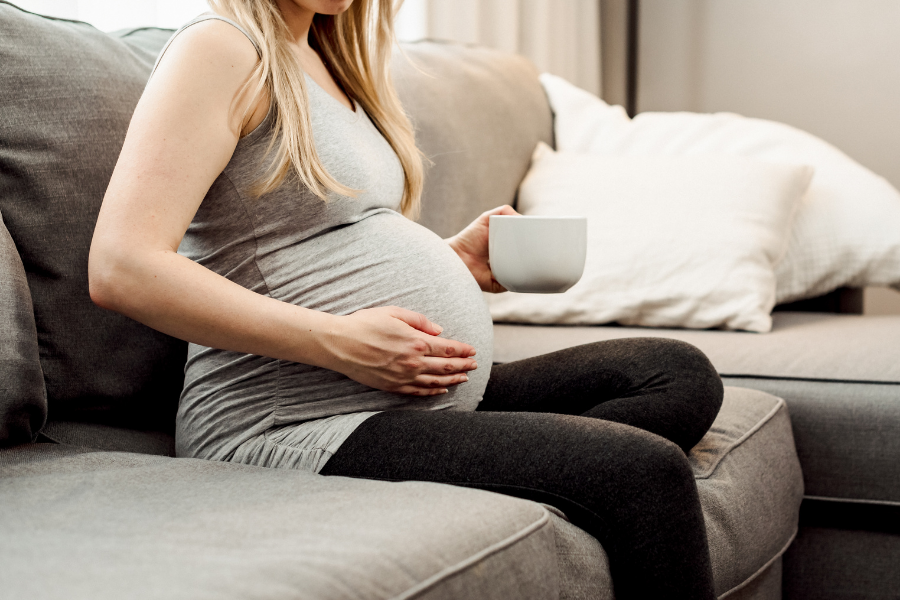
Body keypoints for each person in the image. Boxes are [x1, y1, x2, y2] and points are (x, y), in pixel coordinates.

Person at [88, 1, 724, 597]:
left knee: (673, 374)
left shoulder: (328, 58)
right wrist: (340, 343)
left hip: (403, 393)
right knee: (641, 474)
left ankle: (508, 464)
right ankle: (538, 469)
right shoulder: (221, 48)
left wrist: (450, 262)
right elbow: (123, 265)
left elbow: (311, 243)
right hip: (289, 422)